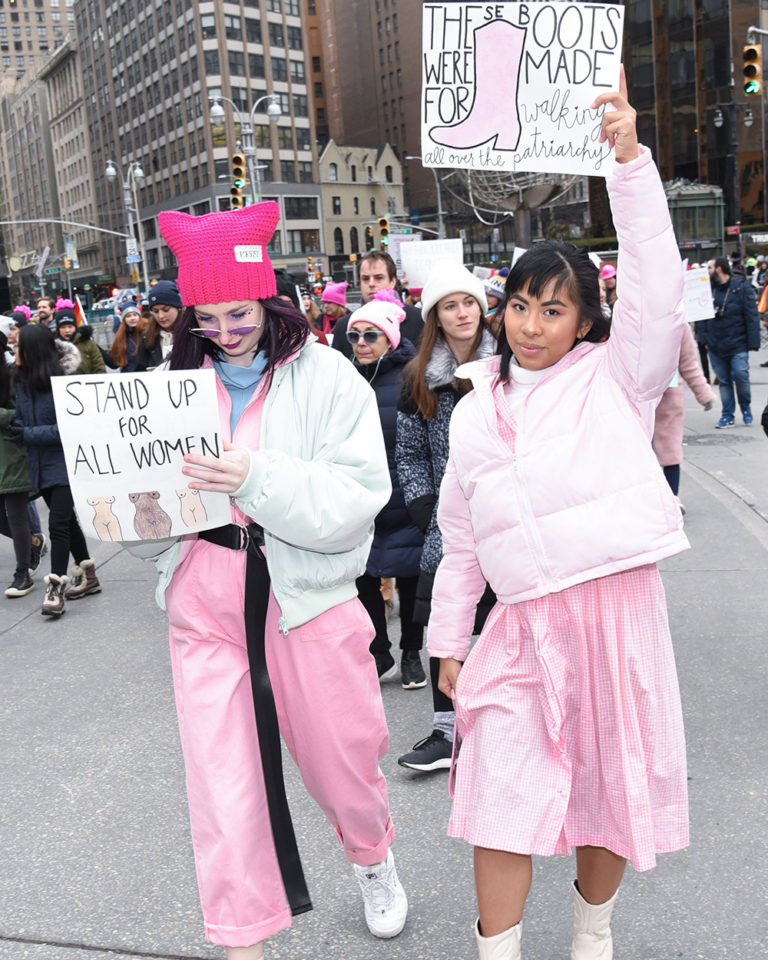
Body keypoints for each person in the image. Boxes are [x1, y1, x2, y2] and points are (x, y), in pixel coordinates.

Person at [427, 84, 690, 960]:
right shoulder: (471, 410)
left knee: (609, 794)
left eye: (554, 309)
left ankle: (593, 936)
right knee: (497, 791)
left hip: (615, 610)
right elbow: (460, 542)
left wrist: (630, 162)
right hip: (520, 624)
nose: (531, 326)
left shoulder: (617, 379)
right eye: (520, 305)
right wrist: (447, 641)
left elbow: (655, 276)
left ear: (585, 320)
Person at [129, 200, 408, 957]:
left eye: (238, 312)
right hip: (205, 603)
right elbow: (134, 513)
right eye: (207, 317)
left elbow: (354, 507)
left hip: (307, 601)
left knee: (340, 763)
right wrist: (134, 515)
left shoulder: (330, 381)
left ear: (268, 300)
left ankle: (371, 855)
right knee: (223, 786)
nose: (223, 330)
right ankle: (243, 938)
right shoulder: (167, 385)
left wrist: (255, 475)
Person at [395, 261, 496, 772]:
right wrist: (423, 507)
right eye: (450, 305)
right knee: (444, 622)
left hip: (505, 515)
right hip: (445, 521)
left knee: (500, 622)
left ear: (483, 307)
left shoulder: (508, 366)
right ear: (435, 314)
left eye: (470, 302)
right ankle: (445, 732)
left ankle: (501, 726)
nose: (462, 313)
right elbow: (409, 453)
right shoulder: (419, 378)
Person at [346, 290, 426, 688]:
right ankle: (379, 653)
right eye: (354, 336)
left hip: (406, 495)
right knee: (364, 578)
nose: (360, 343)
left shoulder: (414, 376)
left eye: (370, 335)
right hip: (363, 499)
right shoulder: (341, 380)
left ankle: (412, 653)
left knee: (411, 580)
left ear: (390, 338)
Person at [10, 324, 101, 616]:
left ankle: (55, 587)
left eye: (18, 346)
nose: (14, 351)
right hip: (39, 464)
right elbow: (23, 422)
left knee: (58, 523)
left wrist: (26, 434)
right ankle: (89, 575)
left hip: (68, 462)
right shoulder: (21, 381)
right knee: (67, 521)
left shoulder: (64, 380)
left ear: (31, 350)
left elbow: (68, 429)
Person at [652, 323, 714, 513]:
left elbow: (688, 363)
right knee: (638, 450)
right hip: (633, 395)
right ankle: (650, 497)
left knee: (670, 449)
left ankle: (672, 497)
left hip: (668, 396)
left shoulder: (678, 323)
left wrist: (704, 393)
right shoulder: (629, 316)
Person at [699, 257, 761, 427]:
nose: (708, 271)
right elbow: (701, 315)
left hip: (737, 342)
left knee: (740, 375)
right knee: (724, 380)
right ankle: (727, 415)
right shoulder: (707, 289)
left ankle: (745, 407)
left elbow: (751, 315)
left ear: (719, 269)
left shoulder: (741, 287)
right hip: (715, 343)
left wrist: (753, 341)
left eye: (710, 268)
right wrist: (704, 338)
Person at [0, 322, 36, 597]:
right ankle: (33, 543)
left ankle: (23, 572)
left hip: (12, 456)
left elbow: (20, 413)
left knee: (17, 516)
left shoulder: (14, 375)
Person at [332, 252, 425, 359]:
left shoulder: (418, 319)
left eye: (379, 278)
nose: (371, 284)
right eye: (365, 279)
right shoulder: (344, 325)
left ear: (393, 281)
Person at [136, 280, 182, 370]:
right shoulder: (146, 337)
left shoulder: (192, 334)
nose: (160, 316)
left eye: (166, 310)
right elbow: (139, 369)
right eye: (155, 311)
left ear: (178, 307)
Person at [54, 301, 106, 374]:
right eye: (63, 327)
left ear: (75, 327)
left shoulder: (88, 343)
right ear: (58, 329)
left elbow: (99, 365)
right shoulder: (53, 346)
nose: (67, 330)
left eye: (70, 327)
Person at [109, 302, 145, 372]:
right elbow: (114, 361)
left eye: (135, 315)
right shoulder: (121, 336)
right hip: (128, 377)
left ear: (139, 317)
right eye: (128, 316)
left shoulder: (148, 333)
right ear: (124, 319)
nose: (132, 318)